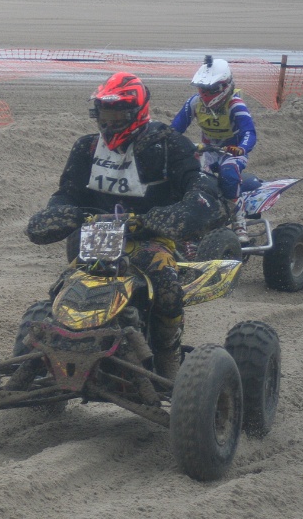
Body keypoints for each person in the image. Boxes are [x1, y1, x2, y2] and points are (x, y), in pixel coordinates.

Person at [26, 72, 228, 378]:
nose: (110, 123)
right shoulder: (87, 149)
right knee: (63, 289)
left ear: (136, 113)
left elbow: (200, 189)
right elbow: (67, 193)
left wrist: (175, 215)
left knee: (167, 288)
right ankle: (49, 353)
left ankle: (168, 357)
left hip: (151, 239)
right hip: (98, 238)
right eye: (105, 114)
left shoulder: (168, 146)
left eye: (118, 114)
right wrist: (60, 214)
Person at [171, 56, 258, 242]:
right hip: (208, 152)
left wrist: (241, 148)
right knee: (189, 175)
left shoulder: (235, 105)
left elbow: (249, 132)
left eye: (211, 89)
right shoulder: (195, 103)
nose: (206, 94)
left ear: (224, 86)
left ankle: (239, 222)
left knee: (229, 173)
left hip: (231, 153)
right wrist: (169, 142)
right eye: (203, 89)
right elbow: (175, 129)